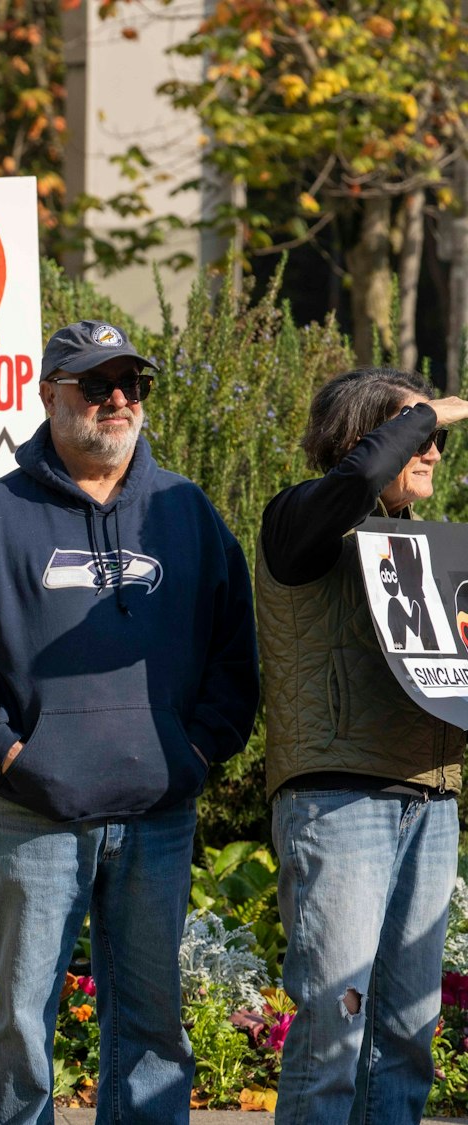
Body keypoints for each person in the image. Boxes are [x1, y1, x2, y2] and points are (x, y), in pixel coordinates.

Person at [0, 321, 260, 1125]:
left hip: (157, 812)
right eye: (95, 384)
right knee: (18, 1029)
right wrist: (7, 752)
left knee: (152, 1028)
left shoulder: (184, 510)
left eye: (131, 384)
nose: (117, 400)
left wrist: (194, 751)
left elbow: (235, 649)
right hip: (29, 811)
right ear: (48, 394)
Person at [256, 367, 468, 1124]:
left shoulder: (421, 544)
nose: (436, 450)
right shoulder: (304, 521)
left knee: (407, 1038)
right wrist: (428, 410)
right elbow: (359, 480)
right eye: (424, 433)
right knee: (331, 1036)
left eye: (440, 437)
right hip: (339, 801)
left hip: (429, 798)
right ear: (363, 436)